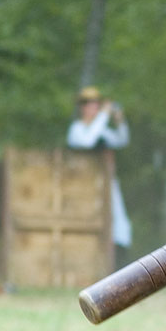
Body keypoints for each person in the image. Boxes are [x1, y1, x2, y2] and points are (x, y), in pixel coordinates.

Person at [66, 86, 132, 266]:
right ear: (82, 107)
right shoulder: (77, 129)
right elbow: (87, 142)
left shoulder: (101, 129)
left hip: (107, 183)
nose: (94, 108)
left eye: (96, 104)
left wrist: (119, 121)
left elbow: (122, 140)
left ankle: (118, 267)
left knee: (120, 225)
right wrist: (104, 115)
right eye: (90, 104)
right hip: (83, 186)